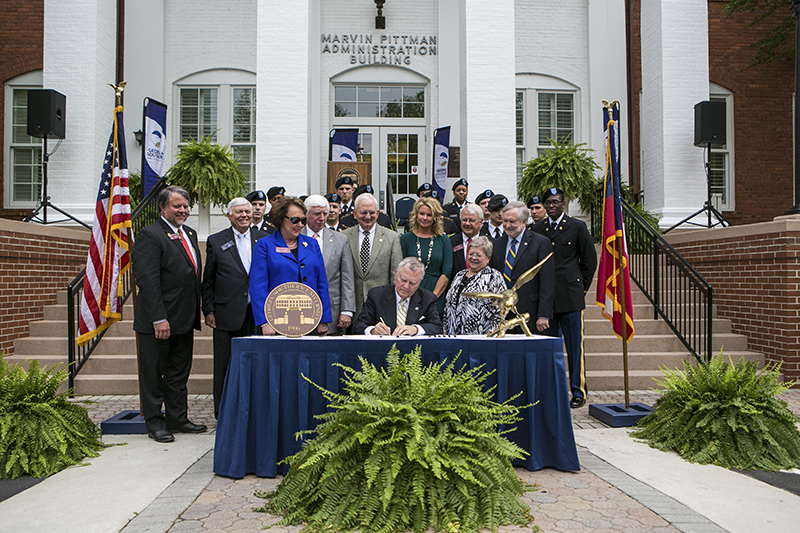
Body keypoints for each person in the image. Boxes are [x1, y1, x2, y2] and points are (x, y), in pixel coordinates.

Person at [132, 185, 207, 443]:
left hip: (184, 319)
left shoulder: (188, 232)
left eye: (185, 206)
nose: (183, 210)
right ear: (163, 208)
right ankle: (154, 423)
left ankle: (177, 418)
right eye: (177, 206)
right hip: (158, 320)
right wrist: (158, 318)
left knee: (178, 372)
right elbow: (148, 280)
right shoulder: (149, 235)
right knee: (154, 373)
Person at [532, 187, 598, 409]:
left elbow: (589, 261)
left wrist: (582, 289)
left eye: (556, 202)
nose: (551, 206)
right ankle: (551, 389)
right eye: (548, 202)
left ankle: (578, 391)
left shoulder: (577, 227)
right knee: (550, 347)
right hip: (546, 300)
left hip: (570, 297)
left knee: (574, 347)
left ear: (564, 203)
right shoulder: (537, 229)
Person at [202, 197, 267, 417]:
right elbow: (208, 279)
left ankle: (254, 411)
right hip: (226, 313)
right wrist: (208, 310)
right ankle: (223, 413)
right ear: (229, 215)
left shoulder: (264, 239)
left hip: (257, 313)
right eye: (239, 212)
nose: (244, 215)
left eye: (247, 212)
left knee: (256, 364)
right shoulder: (216, 240)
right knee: (224, 366)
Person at [250, 196, 331, 335]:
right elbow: (258, 286)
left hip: (309, 317)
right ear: (281, 219)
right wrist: (264, 321)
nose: (300, 224)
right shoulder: (264, 245)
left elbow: (321, 282)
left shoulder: (311, 244)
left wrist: (323, 318)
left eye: (303, 220)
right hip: (277, 319)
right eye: (295, 220)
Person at [489, 201, 555, 336]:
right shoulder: (496, 244)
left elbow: (547, 281)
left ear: (524, 221)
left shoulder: (540, 243)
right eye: (504, 221)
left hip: (529, 313)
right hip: (501, 315)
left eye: (512, 221)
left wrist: (544, 315)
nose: (507, 225)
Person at [343, 192, 403, 320]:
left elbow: (395, 277)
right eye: (363, 212)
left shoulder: (392, 238)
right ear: (354, 214)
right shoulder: (344, 237)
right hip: (353, 309)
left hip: (381, 308)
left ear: (378, 213)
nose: (368, 217)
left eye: (371, 212)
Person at [304, 195, 356, 335]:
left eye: (324, 214)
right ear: (306, 214)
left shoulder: (340, 240)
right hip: (300, 311)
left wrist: (347, 311)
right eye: (316, 214)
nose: (322, 218)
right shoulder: (294, 237)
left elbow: (347, 277)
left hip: (333, 312)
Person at [353, 257, 443, 336]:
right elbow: (358, 326)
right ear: (396, 274)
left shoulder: (427, 298)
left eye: (412, 283)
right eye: (403, 280)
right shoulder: (376, 295)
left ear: (420, 281)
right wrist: (373, 331)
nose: (406, 286)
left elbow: (437, 327)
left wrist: (415, 329)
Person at [400, 197, 453, 316]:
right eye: (422, 213)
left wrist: (433, 297)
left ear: (435, 217)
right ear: (416, 215)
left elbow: (447, 271)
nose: (424, 218)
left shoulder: (443, 239)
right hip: (411, 292)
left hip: (436, 292)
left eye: (429, 215)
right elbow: (401, 270)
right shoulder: (405, 239)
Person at [444, 236, 506, 335]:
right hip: (453, 335)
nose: (473, 258)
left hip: (480, 336)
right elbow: (448, 306)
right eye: (471, 254)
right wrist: (445, 329)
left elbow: (501, 308)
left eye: (478, 255)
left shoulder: (494, 276)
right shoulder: (459, 275)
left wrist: (493, 331)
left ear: (488, 258)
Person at [449, 203, 484, 275]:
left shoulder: (491, 243)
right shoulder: (450, 243)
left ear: (481, 222)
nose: (467, 223)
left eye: (472, 220)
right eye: (464, 220)